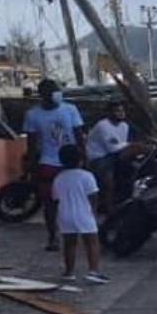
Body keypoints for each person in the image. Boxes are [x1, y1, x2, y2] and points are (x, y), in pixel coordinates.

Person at [21, 79, 85, 252]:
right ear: (43, 94)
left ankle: (75, 233)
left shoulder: (70, 109)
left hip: (70, 162)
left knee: (73, 201)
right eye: (53, 90)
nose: (57, 93)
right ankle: (53, 236)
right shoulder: (33, 115)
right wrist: (32, 168)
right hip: (47, 163)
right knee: (49, 203)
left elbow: (79, 135)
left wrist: (83, 159)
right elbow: (32, 145)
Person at [52, 144, 108, 285]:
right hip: (84, 213)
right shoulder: (87, 176)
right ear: (81, 160)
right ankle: (93, 271)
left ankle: (69, 272)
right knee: (92, 243)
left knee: (69, 244)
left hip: (65, 214)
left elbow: (56, 199)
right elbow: (93, 196)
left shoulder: (59, 178)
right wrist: (94, 212)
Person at [86, 100, 131, 216]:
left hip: (114, 155)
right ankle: (109, 209)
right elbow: (112, 148)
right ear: (109, 113)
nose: (121, 113)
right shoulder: (103, 126)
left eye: (122, 110)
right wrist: (129, 145)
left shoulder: (125, 126)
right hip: (99, 157)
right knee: (108, 180)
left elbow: (120, 145)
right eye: (117, 111)